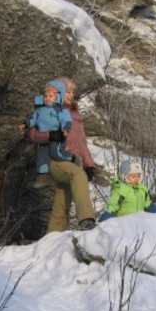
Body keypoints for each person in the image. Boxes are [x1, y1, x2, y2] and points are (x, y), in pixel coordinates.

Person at [26, 77, 96, 232]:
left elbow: (82, 143)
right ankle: (87, 219)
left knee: (62, 200)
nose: (71, 95)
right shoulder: (48, 110)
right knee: (77, 175)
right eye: (68, 92)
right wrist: (51, 135)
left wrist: (89, 164)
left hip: (73, 160)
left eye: (73, 92)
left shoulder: (75, 114)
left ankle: (53, 238)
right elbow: (31, 134)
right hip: (55, 157)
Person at [28, 80, 72, 176]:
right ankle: (43, 173)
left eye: (50, 96)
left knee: (55, 153)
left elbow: (66, 120)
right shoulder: (39, 110)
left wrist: (65, 128)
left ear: (57, 97)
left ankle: (69, 158)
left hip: (57, 137)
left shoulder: (60, 110)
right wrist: (26, 124)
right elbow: (33, 119)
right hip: (43, 139)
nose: (47, 98)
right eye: (45, 96)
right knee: (41, 156)